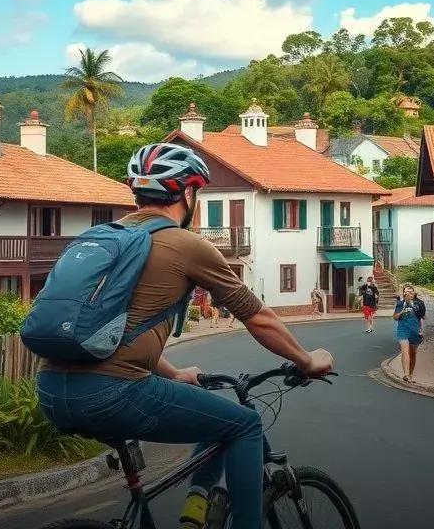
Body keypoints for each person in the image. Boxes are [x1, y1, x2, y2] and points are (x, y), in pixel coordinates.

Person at [35, 143, 334, 529]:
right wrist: (307, 359)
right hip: (113, 393)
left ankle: (193, 512)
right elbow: (257, 317)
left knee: (204, 410)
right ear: (189, 193)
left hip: (51, 391)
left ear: (137, 192)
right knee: (243, 424)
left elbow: (114, 331)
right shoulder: (186, 245)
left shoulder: (102, 238)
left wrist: (173, 374)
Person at [393, 284, 424, 382]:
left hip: (415, 330)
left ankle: (410, 374)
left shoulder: (419, 303)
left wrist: (421, 330)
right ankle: (406, 374)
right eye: (407, 291)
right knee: (405, 351)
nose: (409, 293)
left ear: (414, 293)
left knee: (413, 353)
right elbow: (395, 317)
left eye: (411, 291)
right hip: (403, 330)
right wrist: (402, 312)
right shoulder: (400, 304)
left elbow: (422, 317)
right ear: (403, 293)